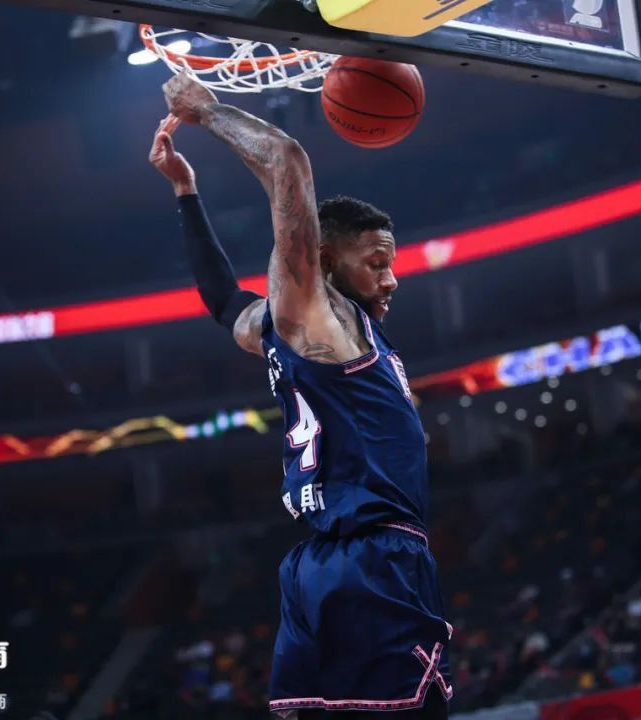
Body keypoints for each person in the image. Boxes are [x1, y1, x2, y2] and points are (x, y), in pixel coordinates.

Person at [150, 71, 452, 719]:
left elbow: (223, 302)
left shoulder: (280, 328)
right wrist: (207, 110)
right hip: (376, 559)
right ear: (326, 261)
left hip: (318, 565)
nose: (391, 279)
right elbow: (287, 158)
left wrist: (186, 192)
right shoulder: (320, 319)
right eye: (376, 262)